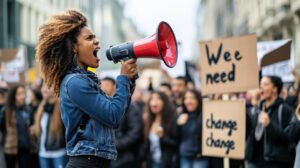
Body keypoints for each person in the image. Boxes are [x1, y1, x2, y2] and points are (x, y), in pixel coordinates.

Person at [35, 10, 138, 168]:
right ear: (74, 47)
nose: (97, 41)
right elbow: (113, 116)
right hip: (86, 163)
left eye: (95, 37)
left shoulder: (86, 80)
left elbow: (117, 111)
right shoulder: (74, 82)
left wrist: (129, 81)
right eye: (89, 38)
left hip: (96, 162)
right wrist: (123, 78)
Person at [246, 75, 294, 168]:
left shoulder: (284, 110)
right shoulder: (257, 109)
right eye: (260, 84)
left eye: (265, 84)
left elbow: (288, 139)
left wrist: (269, 125)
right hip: (253, 162)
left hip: (273, 163)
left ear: (275, 89)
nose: (261, 87)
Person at [31, 85, 66, 168]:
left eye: (48, 86)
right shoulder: (41, 107)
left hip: (58, 153)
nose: (44, 89)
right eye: (43, 86)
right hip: (43, 153)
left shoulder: (61, 106)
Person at [175, 90, 210, 168]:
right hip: (184, 156)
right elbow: (175, 137)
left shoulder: (204, 116)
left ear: (198, 100)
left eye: (192, 98)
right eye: (186, 98)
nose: (188, 101)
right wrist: (177, 124)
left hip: (200, 157)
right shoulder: (182, 116)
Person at [0, 85, 32, 168]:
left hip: (25, 149)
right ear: (13, 96)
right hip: (11, 150)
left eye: (23, 93)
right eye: (19, 94)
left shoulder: (27, 109)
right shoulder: (6, 111)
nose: (22, 96)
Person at [143, 91, 177, 168]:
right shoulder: (149, 121)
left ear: (164, 102)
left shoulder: (172, 120)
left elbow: (176, 143)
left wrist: (163, 137)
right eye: (152, 99)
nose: (154, 101)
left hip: (167, 163)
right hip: (152, 162)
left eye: (158, 98)